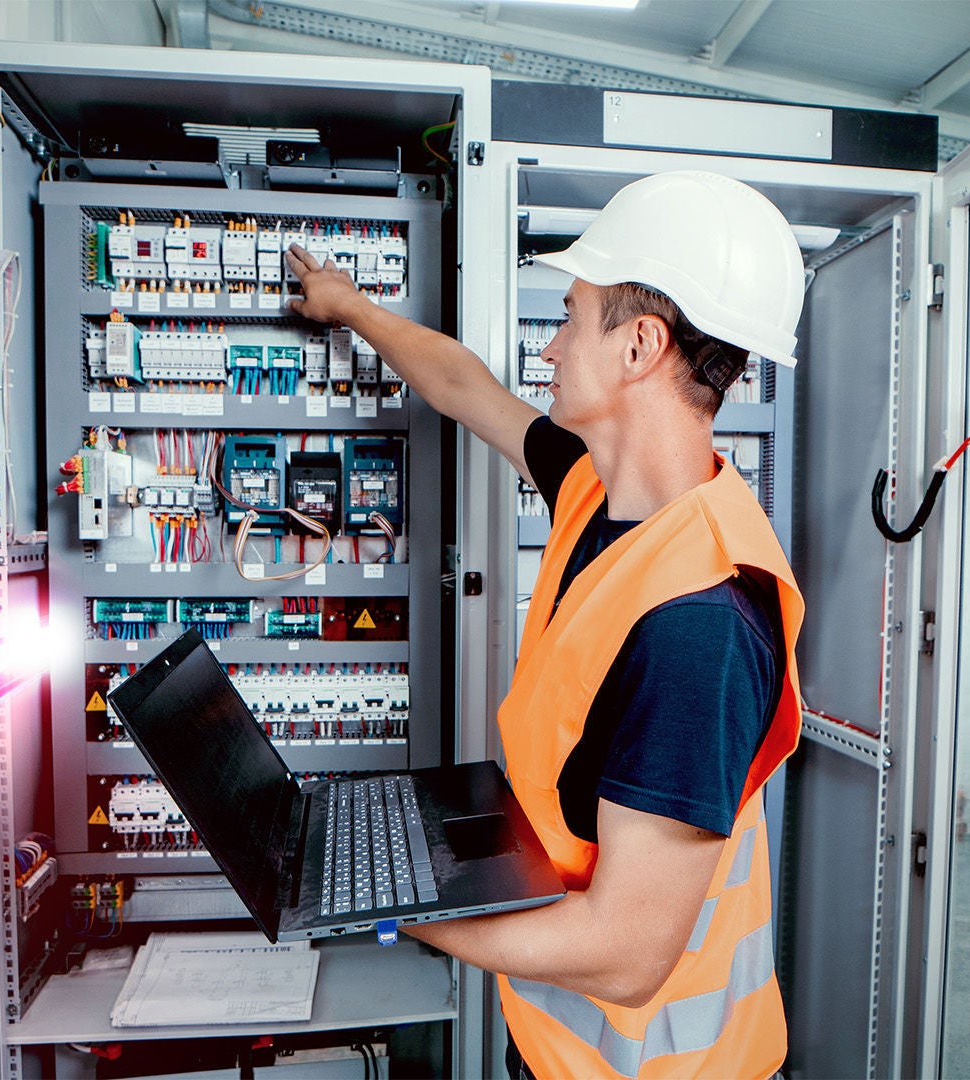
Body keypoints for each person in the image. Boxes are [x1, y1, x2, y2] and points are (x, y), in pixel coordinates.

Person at [282, 170, 807, 1079]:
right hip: (567, 1047)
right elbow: (465, 386)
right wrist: (350, 307)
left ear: (641, 345)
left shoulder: (700, 626)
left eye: (570, 316)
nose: (551, 347)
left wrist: (395, 906)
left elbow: (628, 955)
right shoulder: (596, 491)